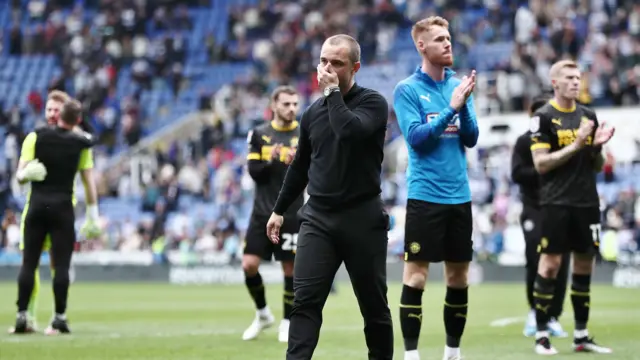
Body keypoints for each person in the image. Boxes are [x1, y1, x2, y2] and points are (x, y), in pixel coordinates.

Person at [266, 34, 393, 360]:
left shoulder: (373, 103)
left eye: (337, 63)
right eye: (323, 61)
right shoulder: (311, 114)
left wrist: (332, 92)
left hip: (362, 217)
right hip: (318, 217)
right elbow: (300, 167)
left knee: (373, 306)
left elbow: (348, 132)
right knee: (305, 302)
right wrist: (279, 210)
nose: (327, 68)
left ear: (355, 67)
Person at [393, 16, 478, 360]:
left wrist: (465, 104)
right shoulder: (407, 90)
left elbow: (471, 139)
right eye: (440, 39)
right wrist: (452, 108)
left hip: (461, 197)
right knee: (415, 278)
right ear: (421, 46)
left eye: (449, 38)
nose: (448, 43)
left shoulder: (457, 85)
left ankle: (452, 352)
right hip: (425, 198)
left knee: (458, 278)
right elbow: (416, 138)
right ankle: (412, 355)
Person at [529, 60, 614, 355]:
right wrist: (576, 145)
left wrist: (597, 147)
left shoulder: (588, 115)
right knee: (550, 265)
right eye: (569, 78)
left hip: (587, 202)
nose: (576, 82)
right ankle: (541, 334)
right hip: (556, 202)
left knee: (584, 266)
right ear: (555, 83)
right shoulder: (543, 118)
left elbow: (597, 166)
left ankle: (581, 335)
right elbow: (540, 164)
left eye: (578, 77)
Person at [8, 90, 98, 334]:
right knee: (60, 266)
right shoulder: (79, 142)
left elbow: (19, 173)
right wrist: (92, 214)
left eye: (55, 110)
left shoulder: (36, 136)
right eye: (48, 109)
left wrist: (24, 174)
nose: (51, 114)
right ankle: (57, 317)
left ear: (60, 114)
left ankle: (22, 315)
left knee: (29, 264)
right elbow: (89, 157)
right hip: (61, 208)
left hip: (37, 206)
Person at [241, 85, 303, 343]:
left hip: (292, 212)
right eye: (286, 104)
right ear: (274, 105)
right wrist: (273, 160)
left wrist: (296, 162)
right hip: (261, 213)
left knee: (290, 268)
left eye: (295, 104)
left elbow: (314, 170)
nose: (291, 109)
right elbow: (254, 172)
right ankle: (263, 312)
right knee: (249, 264)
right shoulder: (259, 134)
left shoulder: (304, 133)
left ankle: (287, 322)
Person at [511, 94, 570, 338]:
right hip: (534, 208)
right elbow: (517, 173)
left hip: (560, 207)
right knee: (535, 260)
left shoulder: (562, 142)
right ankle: (535, 311)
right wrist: (543, 168)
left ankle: (553, 314)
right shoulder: (524, 142)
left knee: (562, 263)